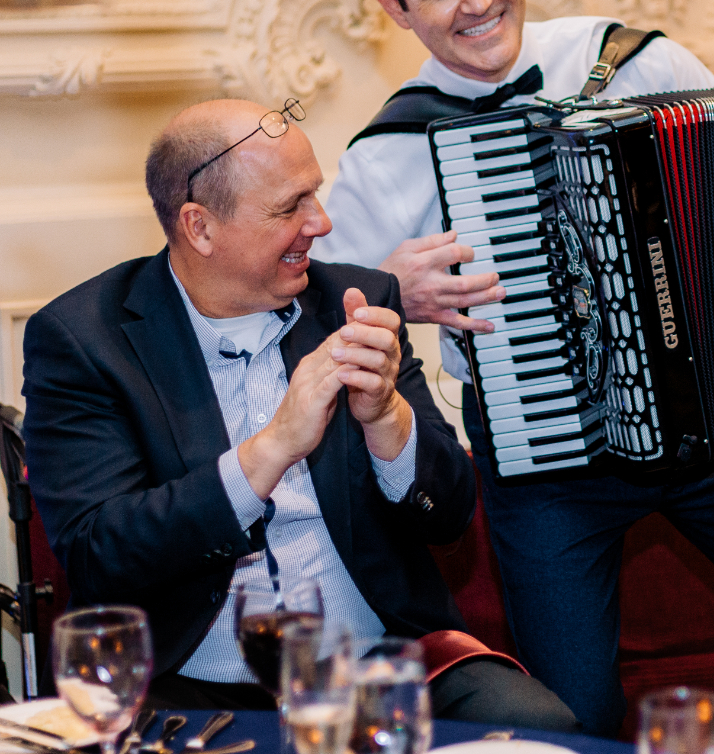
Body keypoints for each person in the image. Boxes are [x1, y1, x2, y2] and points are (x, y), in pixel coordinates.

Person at [312, 0, 714, 735]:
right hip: (548, 467)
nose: (476, 1)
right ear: (393, 6)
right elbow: (307, 303)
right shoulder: (388, 151)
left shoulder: (637, 59)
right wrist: (391, 290)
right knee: (569, 720)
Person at [22, 97, 577, 729]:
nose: (321, 222)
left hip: (378, 665)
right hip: (195, 684)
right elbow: (102, 553)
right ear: (199, 227)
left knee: (544, 729)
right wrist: (272, 448)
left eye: (314, 194)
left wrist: (385, 417)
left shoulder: (354, 300)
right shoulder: (86, 341)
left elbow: (448, 514)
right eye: (291, 207)